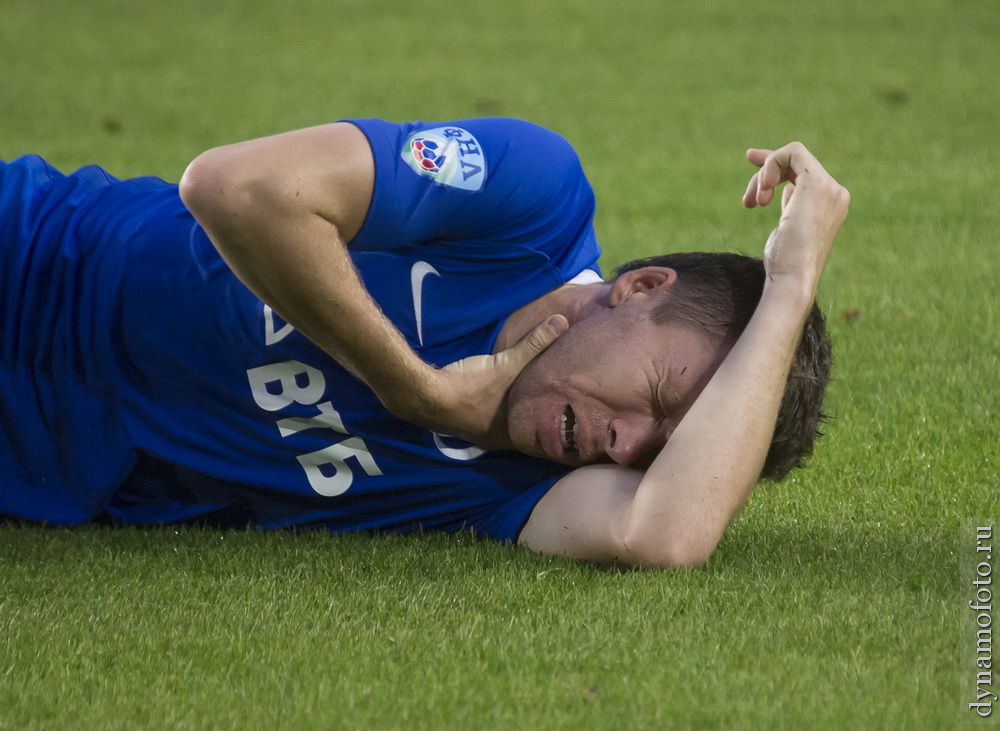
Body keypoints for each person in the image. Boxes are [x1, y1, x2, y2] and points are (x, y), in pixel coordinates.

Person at [0, 117, 849, 568]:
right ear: (640, 287)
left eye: (660, 449)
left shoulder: (529, 482)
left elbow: (661, 537)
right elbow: (234, 185)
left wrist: (790, 291)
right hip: (31, 259)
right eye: (662, 399)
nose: (627, 445)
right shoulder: (532, 201)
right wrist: (415, 388)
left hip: (31, 465)